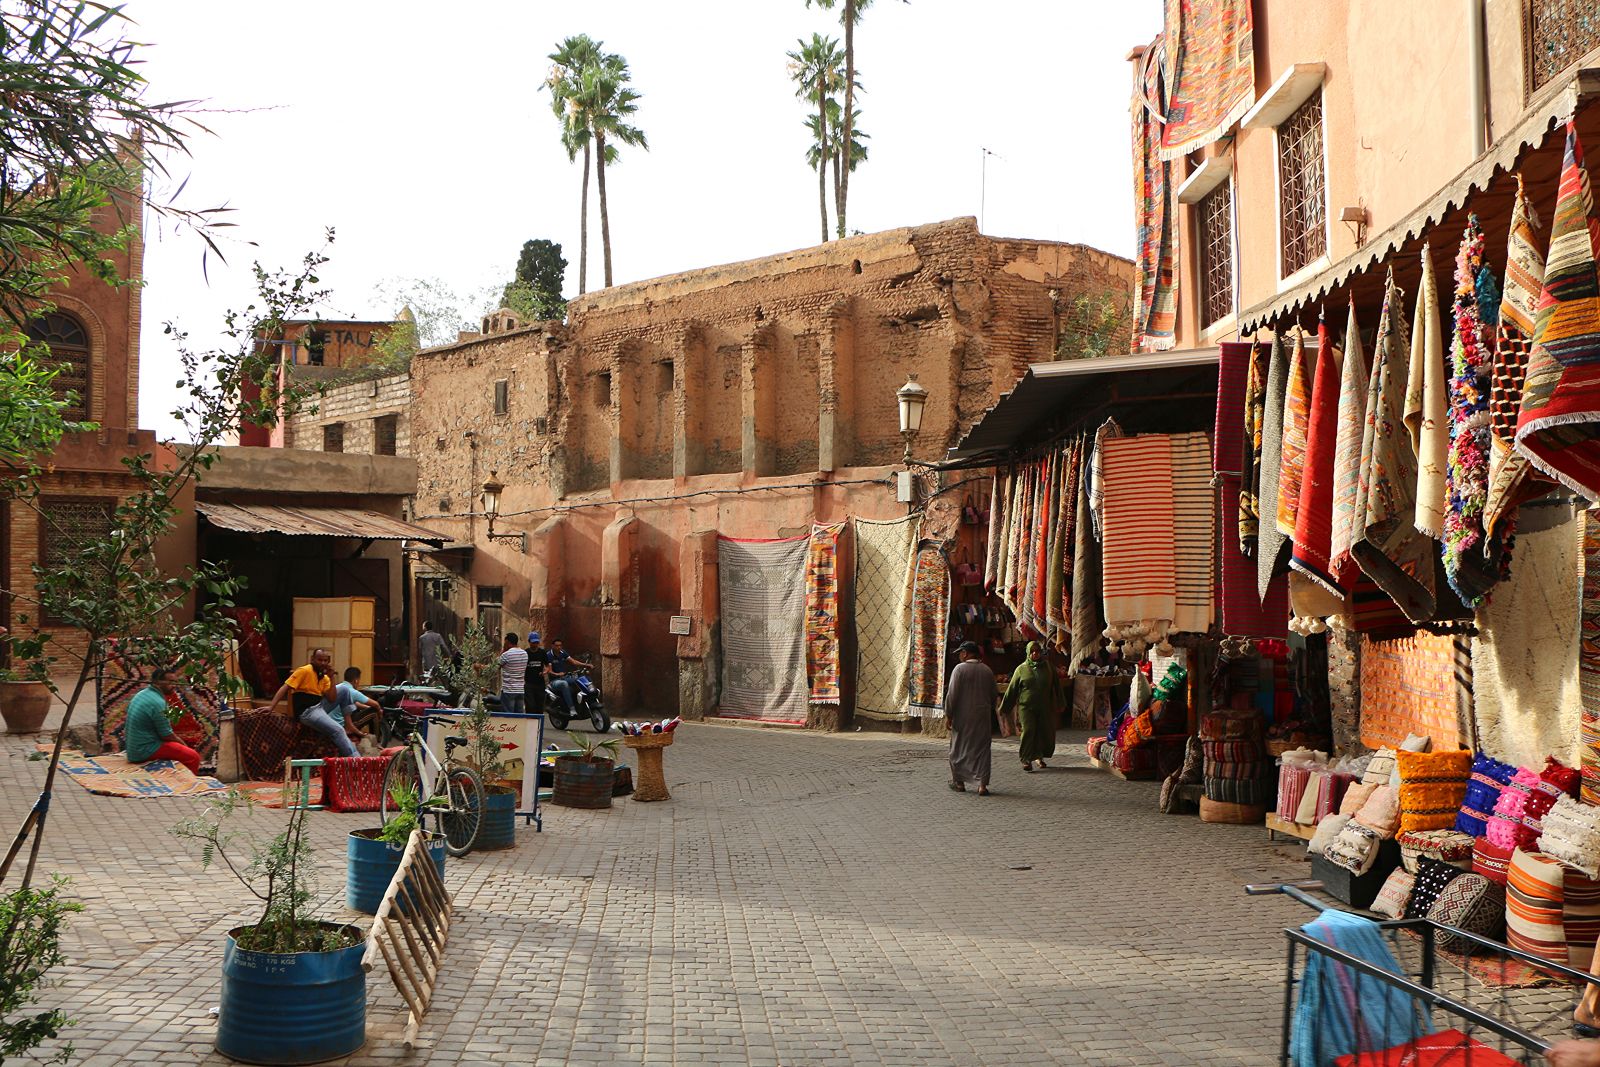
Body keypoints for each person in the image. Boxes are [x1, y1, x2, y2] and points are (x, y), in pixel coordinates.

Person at [267, 647, 356, 758]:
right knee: (338, 730)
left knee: (344, 690)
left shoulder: (324, 677)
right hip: (307, 711)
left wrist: (332, 677)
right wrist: (271, 707)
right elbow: (285, 687)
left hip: (319, 706)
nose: (322, 663)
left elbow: (332, 699)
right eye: (319, 660)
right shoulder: (305, 670)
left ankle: (349, 724)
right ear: (313, 659)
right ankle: (356, 760)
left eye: (325, 660)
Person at [123, 667, 201, 774]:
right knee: (193, 757)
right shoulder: (158, 703)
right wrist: (185, 747)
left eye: (175, 682)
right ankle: (188, 786)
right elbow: (166, 735)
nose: (174, 686)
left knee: (180, 750)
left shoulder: (142, 694)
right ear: (157, 682)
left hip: (135, 749)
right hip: (143, 751)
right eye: (170, 682)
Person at [945, 641, 996, 796]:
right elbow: (993, 695)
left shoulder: (959, 670)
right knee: (982, 750)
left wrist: (949, 714)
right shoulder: (987, 670)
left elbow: (952, 695)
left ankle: (959, 782)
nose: (960, 656)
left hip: (963, 716)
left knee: (959, 748)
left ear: (966, 653)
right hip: (982, 716)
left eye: (961, 653)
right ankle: (982, 785)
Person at [1002, 640, 1061, 772]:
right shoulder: (1021, 669)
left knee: (1042, 731)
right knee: (1028, 731)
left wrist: (1061, 703)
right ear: (1028, 653)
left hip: (1044, 706)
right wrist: (1005, 708)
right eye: (1032, 651)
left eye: (1037, 651)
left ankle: (1039, 756)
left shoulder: (1048, 667)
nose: (1035, 654)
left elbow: (1056, 686)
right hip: (1026, 707)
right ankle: (1026, 758)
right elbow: (1012, 689)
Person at [323, 666, 381, 742]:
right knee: (374, 712)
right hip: (342, 724)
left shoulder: (338, 687)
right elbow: (375, 704)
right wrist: (379, 711)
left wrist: (366, 708)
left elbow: (353, 704)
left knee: (358, 710)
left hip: (329, 722)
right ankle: (377, 741)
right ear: (356, 680)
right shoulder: (352, 691)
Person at [546, 638, 593, 719]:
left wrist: (586, 665)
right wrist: (557, 674)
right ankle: (572, 709)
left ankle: (589, 700)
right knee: (564, 684)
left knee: (581, 678)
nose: (559, 647)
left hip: (565, 677)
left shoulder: (563, 653)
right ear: (552, 646)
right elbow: (549, 671)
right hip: (554, 681)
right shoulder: (548, 655)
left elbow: (573, 661)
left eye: (560, 645)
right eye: (556, 646)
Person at [498, 632, 529, 713]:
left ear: (507, 642)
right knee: (519, 716)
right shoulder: (525, 654)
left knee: (508, 716)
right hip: (520, 690)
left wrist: (503, 651)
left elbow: (495, 667)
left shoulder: (506, 655)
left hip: (509, 690)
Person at [525, 631, 549, 713]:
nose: (535, 644)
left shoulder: (542, 653)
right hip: (529, 683)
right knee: (530, 705)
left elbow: (547, 666)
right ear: (529, 642)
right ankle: (529, 723)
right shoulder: (526, 653)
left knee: (540, 706)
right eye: (533, 642)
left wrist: (544, 672)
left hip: (540, 683)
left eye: (536, 642)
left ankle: (539, 724)